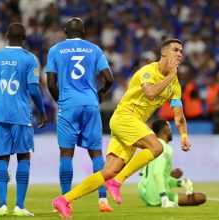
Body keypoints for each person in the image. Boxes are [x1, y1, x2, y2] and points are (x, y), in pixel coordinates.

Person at [52, 38, 191, 219]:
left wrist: (184, 135)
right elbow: (150, 94)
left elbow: (179, 115)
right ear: (164, 53)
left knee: (109, 171)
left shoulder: (175, 85)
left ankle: (64, 200)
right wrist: (171, 76)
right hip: (124, 117)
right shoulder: (148, 71)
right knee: (156, 147)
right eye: (175, 50)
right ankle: (118, 182)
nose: (179, 53)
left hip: (134, 125)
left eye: (181, 51)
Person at [46, 17, 114, 212]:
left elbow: (51, 83)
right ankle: (103, 200)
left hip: (69, 105)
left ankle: (65, 201)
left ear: (65, 31)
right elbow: (109, 78)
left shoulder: (56, 50)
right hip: (90, 103)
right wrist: (100, 94)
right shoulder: (94, 49)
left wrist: (61, 101)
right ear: (83, 32)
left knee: (66, 154)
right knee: (96, 154)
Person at [0, 23, 47, 217]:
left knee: (2, 159)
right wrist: (43, 111)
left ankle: (1, 205)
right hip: (21, 116)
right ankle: (19, 206)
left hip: (1, 116)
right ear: (24, 38)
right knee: (23, 157)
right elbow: (34, 89)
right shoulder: (30, 59)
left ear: (5, 36)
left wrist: (1, 103)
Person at [138, 118, 206, 207]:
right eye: (170, 128)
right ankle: (164, 199)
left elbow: (157, 176)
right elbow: (157, 173)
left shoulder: (151, 146)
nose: (171, 131)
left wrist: (180, 183)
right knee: (201, 197)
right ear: (166, 129)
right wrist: (164, 198)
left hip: (144, 192)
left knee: (176, 173)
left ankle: (161, 196)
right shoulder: (164, 148)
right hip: (156, 194)